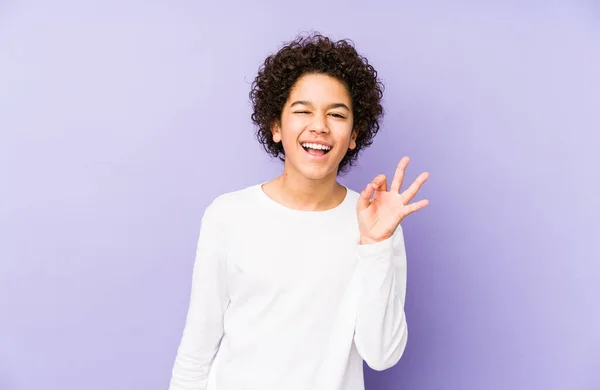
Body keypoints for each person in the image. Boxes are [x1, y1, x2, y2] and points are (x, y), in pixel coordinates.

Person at [169, 32, 430, 390]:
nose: (319, 125)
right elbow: (196, 350)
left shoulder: (376, 223)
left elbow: (381, 355)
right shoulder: (228, 216)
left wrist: (375, 245)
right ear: (276, 126)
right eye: (302, 110)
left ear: (354, 134)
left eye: (336, 114)